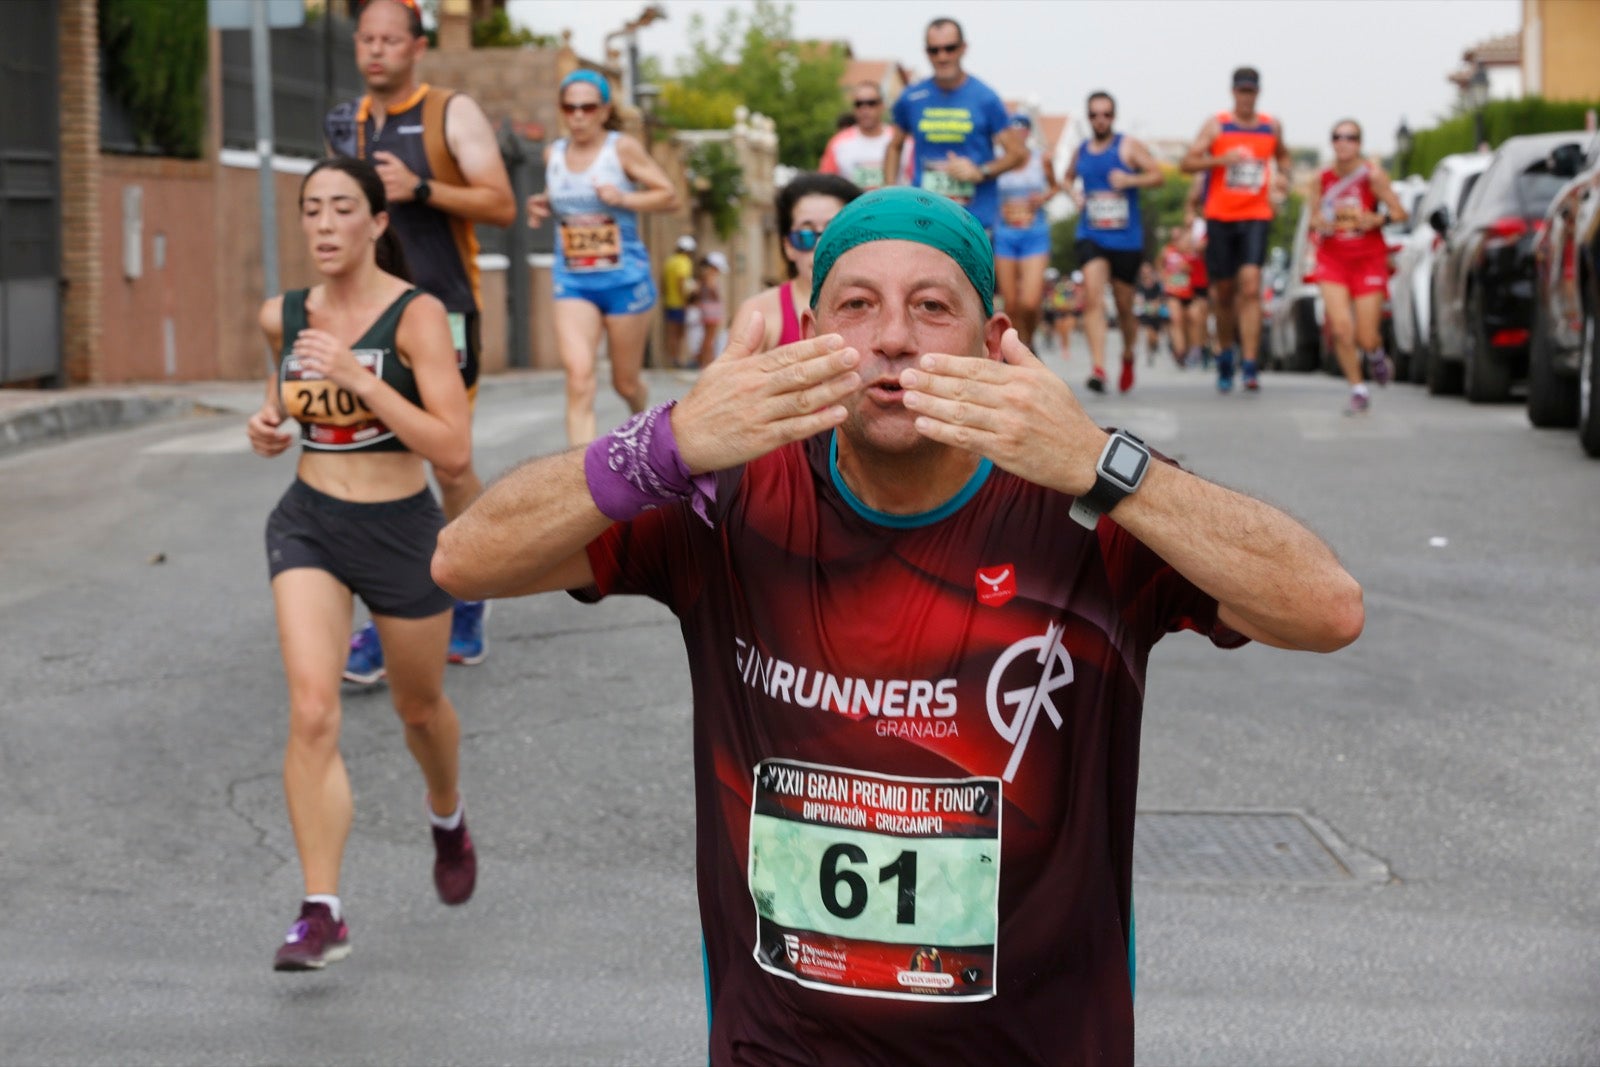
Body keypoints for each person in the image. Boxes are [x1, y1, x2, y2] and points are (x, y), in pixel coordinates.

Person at [430, 186, 1364, 1063]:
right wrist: (662, 444)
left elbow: (1327, 609)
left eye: (930, 307)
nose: (891, 339)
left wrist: (1097, 461)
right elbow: (464, 560)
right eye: (856, 306)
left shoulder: (1088, 498)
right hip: (780, 1044)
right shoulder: (733, 490)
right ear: (807, 329)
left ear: (994, 341)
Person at [247, 157, 477, 972]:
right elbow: (283, 397)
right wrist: (270, 422)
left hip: (400, 529)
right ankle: (322, 910)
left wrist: (358, 377)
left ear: (378, 223)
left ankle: (446, 814)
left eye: (343, 207)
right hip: (309, 521)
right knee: (312, 709)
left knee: (420, 712)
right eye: (311, 209)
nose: (323, 224)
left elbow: (452, 448)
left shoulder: (416, 317)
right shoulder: (285, 313)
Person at [324, 0, 516, 679]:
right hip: (373, 316)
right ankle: (393, 616)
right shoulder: (344, 125)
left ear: (416, 47)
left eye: (390, 40)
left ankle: (467, 587)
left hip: (447, 311)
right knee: (383, 461)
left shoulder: (450, 114)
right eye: (366, 39)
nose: (376, 50)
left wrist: (422, 186)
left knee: (450, 466)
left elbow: (501, 204)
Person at [526, 70, 680, 444]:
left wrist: (624, 199)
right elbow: (561, 194)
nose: (577, 115)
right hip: (574, 280)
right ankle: (581, 481)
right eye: (569, 107)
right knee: (578, 377)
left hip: (624, 280)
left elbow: (668, 195)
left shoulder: (620, 149)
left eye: (587, 107)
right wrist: (542, 203)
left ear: (603, 109)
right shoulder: (554, 153)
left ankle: (644, 423)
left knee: (624, 381)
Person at [1181, 66, 1292, 393]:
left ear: (1258, 93)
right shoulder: (1217, 125)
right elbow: (1187, 162)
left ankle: (1250, 362)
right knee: (1224, 293)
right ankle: (1226, 352)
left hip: (1256, 215)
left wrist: (1284, 177)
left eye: (1251, 91)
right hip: (1220, 217)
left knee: (1251, 285)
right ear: (1233, 93)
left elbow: (1284, 158)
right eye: (1241, 91)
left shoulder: (1271, 126)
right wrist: (1219, 161)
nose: (1246, 97)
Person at [883, 18, 1027, 233]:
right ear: (926, 52)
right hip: (926, 215)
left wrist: (981, 172)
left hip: (974, 218)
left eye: (950, 49)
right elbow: (895, 146)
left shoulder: (985, 98)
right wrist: (889, 192)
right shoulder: (911, 97)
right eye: (934, 50)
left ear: (963, 48)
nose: (942, 57)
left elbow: (1017, 153)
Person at [1062, 91, 1163, 395]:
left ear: (1113, 117)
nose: (1100, 120)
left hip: (1126, 240)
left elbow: (1157, 176)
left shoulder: (1128, 146)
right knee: (1093, 297)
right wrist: (1074, 194)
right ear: (1088, 118)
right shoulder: (1081, 151)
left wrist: (1130, 180)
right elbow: (1066, 178)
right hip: (1091, 235)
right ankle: (1099, 368)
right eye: (1094, 115)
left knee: (1124, 306)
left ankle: (1128, 355)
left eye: (1106, 114)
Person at [1311, 119, 1408, 414]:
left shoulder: (1373, 176)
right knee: (1341, 329)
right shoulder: (1321, 179)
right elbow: (1314, 217)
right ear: (1332, 142)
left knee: (1366, 335)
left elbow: (1400, 213)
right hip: (1333, 259)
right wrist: (1322, 224)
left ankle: (1375, 353)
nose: (1344, 142)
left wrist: (1377, 219)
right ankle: (1358, 388)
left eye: (1350, 137)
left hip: (1368, 258)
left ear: (1359, 143)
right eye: (1338, 136)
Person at [730, 173, 863, 354]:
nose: (819, 247)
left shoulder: (884, 305)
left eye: (833, 234)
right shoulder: (759, 314)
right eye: (805, 236)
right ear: (788, 247)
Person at [992, 113, 1058, 347]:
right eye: (1013, 131)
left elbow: (1054, 187)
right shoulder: (997, 160)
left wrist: (1042, 198)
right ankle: (1016, 349)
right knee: (1010, 303)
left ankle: (1028, 342)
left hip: (1034, 234)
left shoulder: (1041, 160)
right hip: (1005, 235)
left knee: (1030, 302)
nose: (1018, 135)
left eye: (1023, 130)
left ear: (1028, 133)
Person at [819, 81, 909, 191]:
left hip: (893, 207)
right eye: (859, 104)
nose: (864, 109)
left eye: (871, 103)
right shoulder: (838, 142)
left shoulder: (901, 140)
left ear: (882, 106)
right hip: (854, 207)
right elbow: (824, 185)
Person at [662, 235, 699, 369]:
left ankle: (671, 360)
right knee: (680, 333)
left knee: (671, 332)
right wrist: (684, 301)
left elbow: (663, 282)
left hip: (669, 301)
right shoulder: (684, 262)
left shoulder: (670, 261)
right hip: (679, 303)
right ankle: (678, 359)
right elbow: (681, 282)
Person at [694, 251, 729, 368]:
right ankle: (707, 362)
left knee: (708, 337)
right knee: (709, 338)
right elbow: (712, 291)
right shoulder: (710, 276)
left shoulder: (703, 276)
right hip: (711, 311)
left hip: (707, 310)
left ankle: (706, 361)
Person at [1134, 261, 1166, 366]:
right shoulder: (1138, 285)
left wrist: (1155, 305)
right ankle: (1149, 353)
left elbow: (1161, 298)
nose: (1146, 272)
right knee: (1149, 334)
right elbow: (1137, 299)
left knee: (1155, 337)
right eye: (1143, 270)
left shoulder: (1157, 285)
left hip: (1156, 314)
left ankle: (1154, 347)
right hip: (1145, 313)